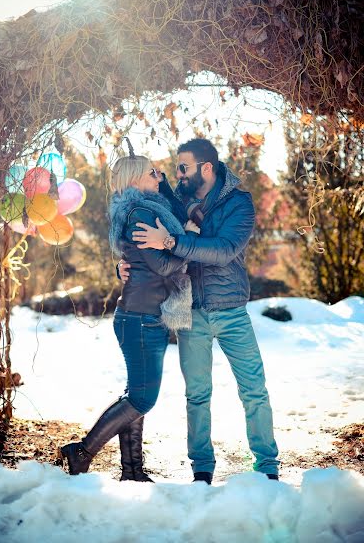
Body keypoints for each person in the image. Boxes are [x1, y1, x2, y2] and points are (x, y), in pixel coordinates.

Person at [120, 138, 279, 484]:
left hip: (232, 309)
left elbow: (224, 250)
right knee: (197, 394)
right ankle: (201, 468)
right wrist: (124, 264)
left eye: (183, 167)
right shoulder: (178, 200)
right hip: (190, 311)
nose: (177, 173)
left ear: (206, 167)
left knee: (254, 389)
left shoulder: (239, 203)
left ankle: (267, 466)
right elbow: (140, 235)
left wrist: (174, 242)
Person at [59, 152, 195, 479]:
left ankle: (132, 470)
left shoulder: (144, 210)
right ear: (135, 179)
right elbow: (162, 265)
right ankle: (82, 452)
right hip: (140, 318)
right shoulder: (140, 214)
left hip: (143, 315)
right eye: (151, 172)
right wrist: (187, 240)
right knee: (142, 399)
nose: (158, 175)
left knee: (137, 393)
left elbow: (137, 259)